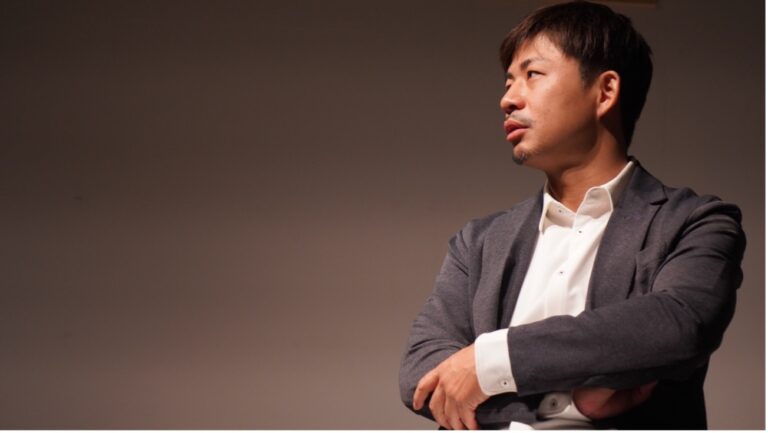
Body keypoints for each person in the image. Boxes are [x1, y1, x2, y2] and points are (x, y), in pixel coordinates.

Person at [398, 1, 746, 430]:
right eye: (508, 82)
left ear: (605, 91)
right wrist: (569, 405)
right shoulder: (479, 241)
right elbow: (421, 372)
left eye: (532, 74)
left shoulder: (695, 222)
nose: (507, 99)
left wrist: (487, 362)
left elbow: (677, 325)